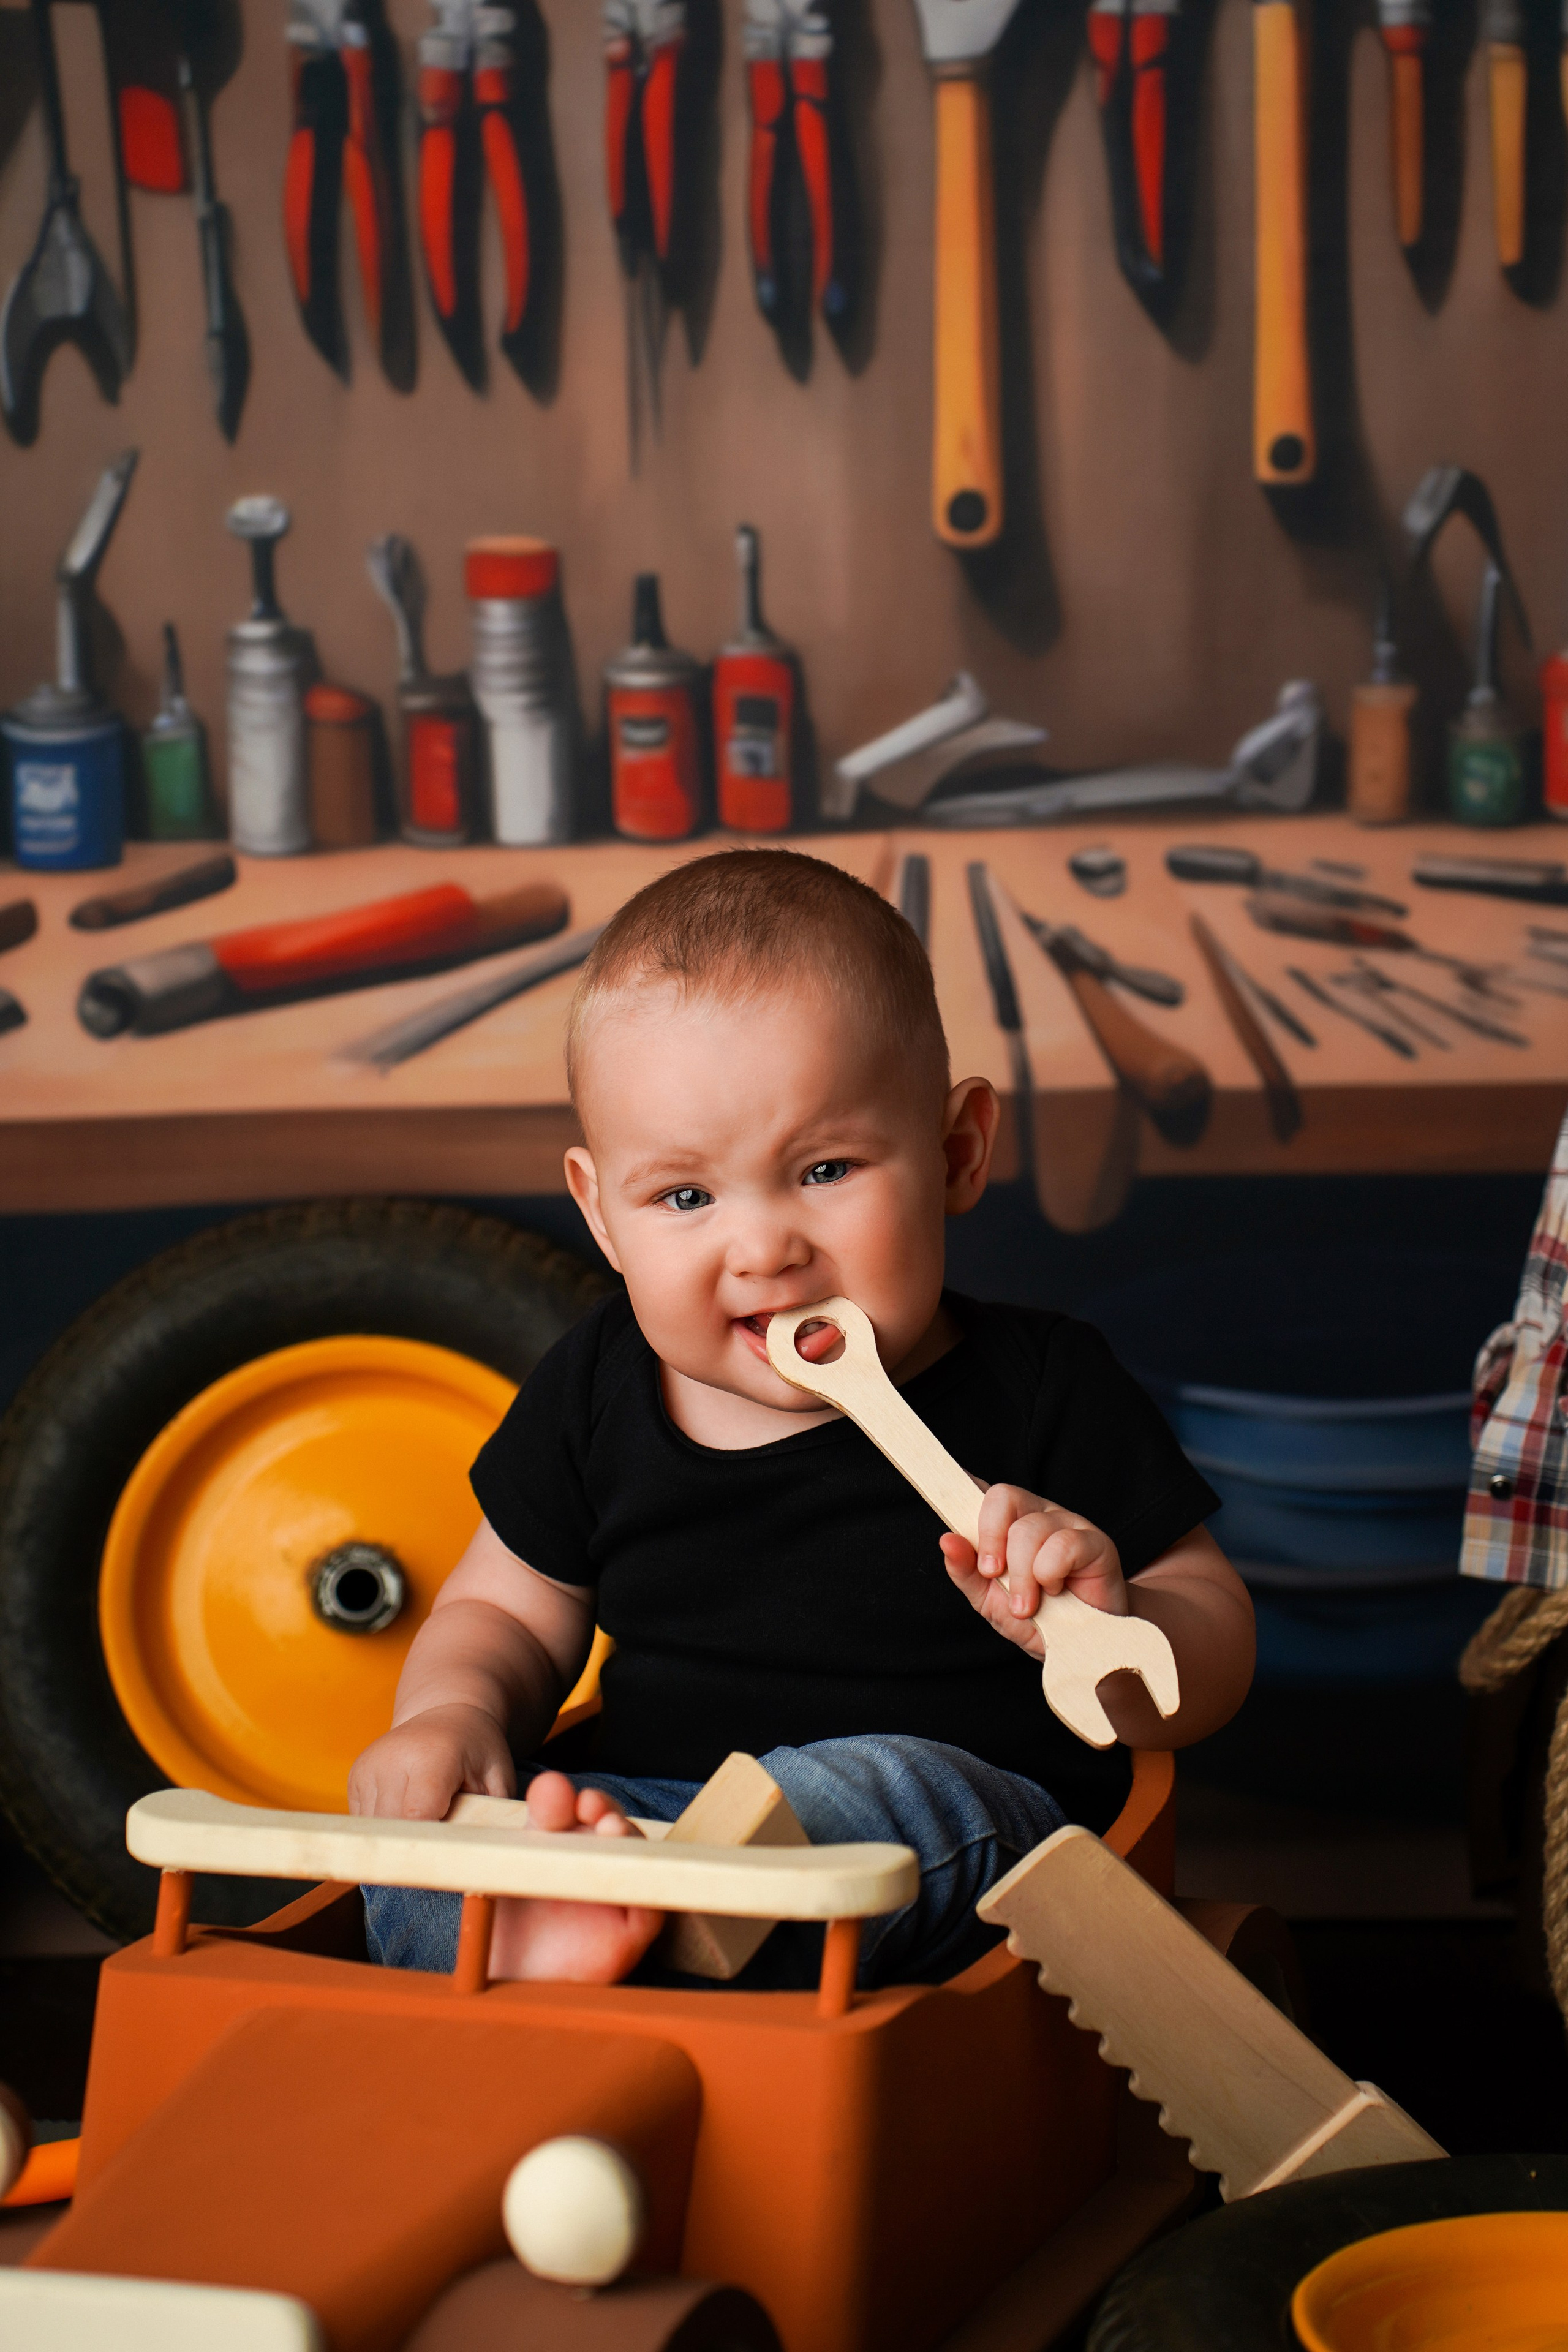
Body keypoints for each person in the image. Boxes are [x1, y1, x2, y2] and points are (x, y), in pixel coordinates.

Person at [349, 850, 1254, 1988]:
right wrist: (449, 1716)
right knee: (421, 1849)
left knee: (890, 1787)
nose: (765, 1246)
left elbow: (1215, 1637)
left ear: (955, 1152)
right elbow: (508, 1618)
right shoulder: (594, 1388)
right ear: (603, 1215)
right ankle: (582, 1931)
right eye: (686, 1197)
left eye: (825, 1168)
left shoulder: (1042, 1387)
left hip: (961, 1844)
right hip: (642, 1829)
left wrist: (1118, 1622)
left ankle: (638, 1930)